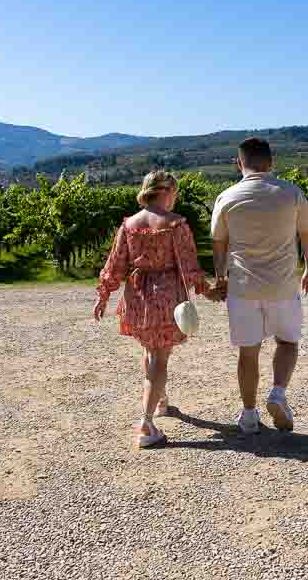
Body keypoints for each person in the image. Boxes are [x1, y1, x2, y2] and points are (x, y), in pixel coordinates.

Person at [94, 170, 215, 449]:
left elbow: (115, 265)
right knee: (160, 356)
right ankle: (146, 424)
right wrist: (208, 291)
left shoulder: (129, 224)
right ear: (165, 191)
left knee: (149, 350)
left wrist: (103, 296)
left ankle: (160, 400)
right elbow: (190, 267)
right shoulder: (176, 224)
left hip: (137, 294)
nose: (175, 198)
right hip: (166, 296)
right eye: (174, 193)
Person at [210, 138, 308, 434]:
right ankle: (278, 393)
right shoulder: (291, 193)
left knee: (248, 353)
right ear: (271, 163)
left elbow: (219, 244)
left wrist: (220, 278)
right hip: (282, 285)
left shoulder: (226, 197)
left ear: (239, 164)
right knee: (287, 342)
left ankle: (248, 415)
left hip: (242, 288)